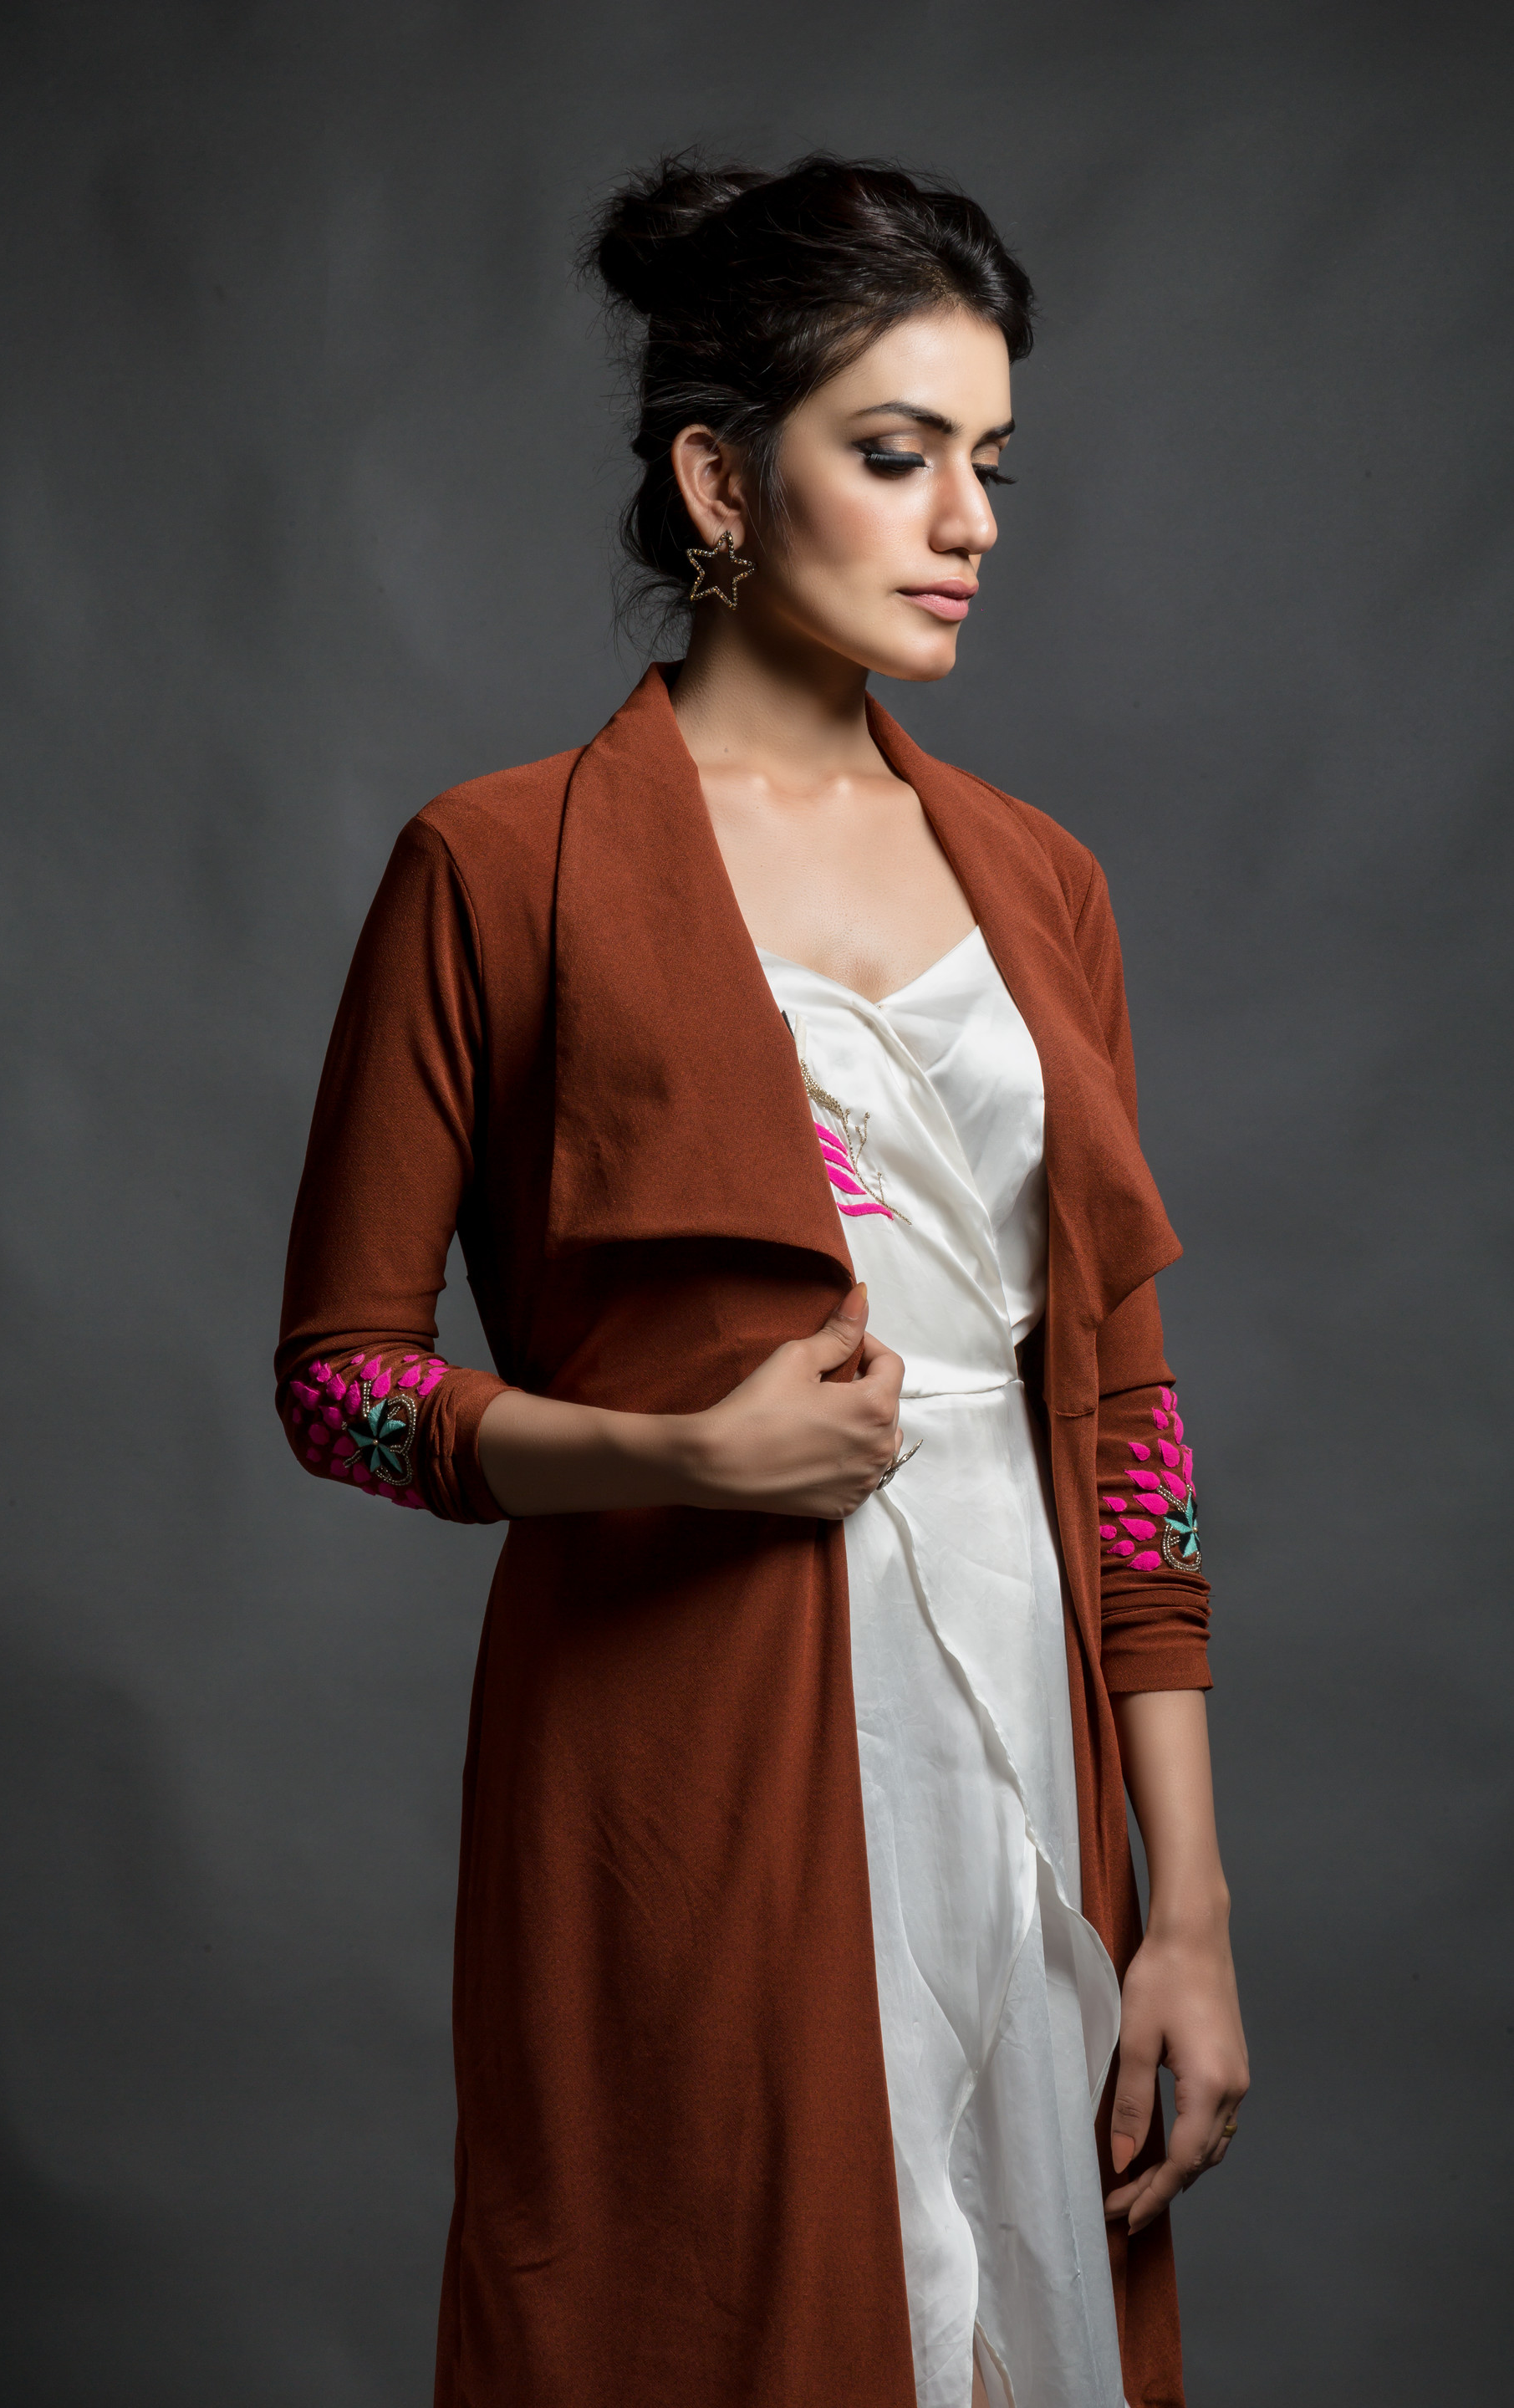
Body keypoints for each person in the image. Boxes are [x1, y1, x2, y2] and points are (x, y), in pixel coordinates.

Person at [276, 155, 1248, 2408]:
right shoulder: (499, 866)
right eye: (898, 455)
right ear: (724, 479)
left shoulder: (1044, 887)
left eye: (990, 461)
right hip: (681, 1750)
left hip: (1028, 1714)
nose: (969, 522)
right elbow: (339, 1380)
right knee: (704, 2306)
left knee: (1018, 2316)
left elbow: (1130, 1421)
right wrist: (674, 1458)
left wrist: (1188, 1906)